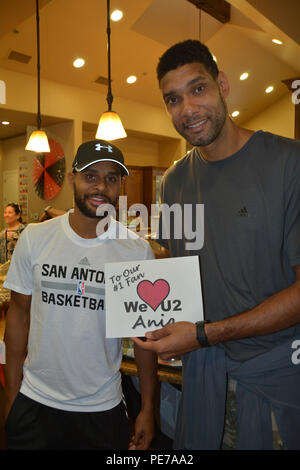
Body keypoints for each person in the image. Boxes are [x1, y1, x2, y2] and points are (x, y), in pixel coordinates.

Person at [133, 40, 300, 450]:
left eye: (198, 89)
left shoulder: (288, 163)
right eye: (173, 99)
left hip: (276, 380)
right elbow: (176, 266)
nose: (187, 109)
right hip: (205, 377)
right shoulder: (173, 181)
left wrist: (204, 334)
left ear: (222, 85)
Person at [3, 140, 158, 450]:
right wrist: (11, 397)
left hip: (101, 408)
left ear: (120, 185)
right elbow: (18, 316)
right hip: (35, 402)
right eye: (91, 176)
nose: (101, 186)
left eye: (111, 178)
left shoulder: (136, 251)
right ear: (73, 178)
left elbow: (145, 338)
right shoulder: (35, 238)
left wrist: (149, 408)